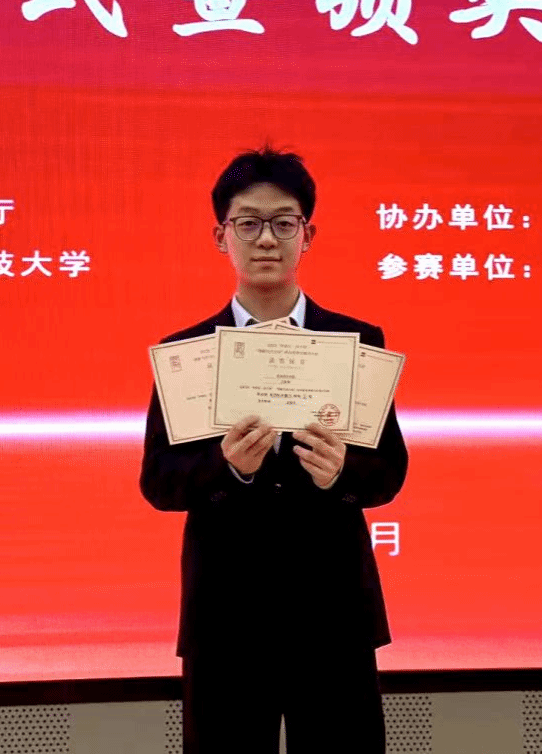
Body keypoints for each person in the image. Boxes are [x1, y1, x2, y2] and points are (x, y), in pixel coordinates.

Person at [140, 146, 408, 754]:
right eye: (249, 223)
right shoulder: (187, 352)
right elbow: (158, 481)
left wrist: (341, 472)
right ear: (222, 236)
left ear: (307, 235)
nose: (267, 239)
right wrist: (227, 468)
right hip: (226, 618)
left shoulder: (355, 340)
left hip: (334, 613)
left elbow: (389, 471)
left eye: (284, 223)